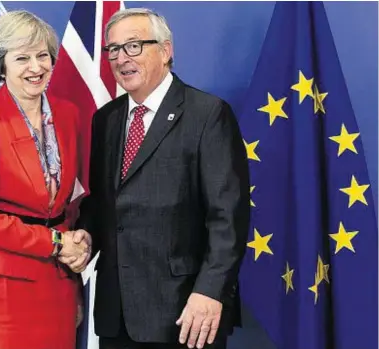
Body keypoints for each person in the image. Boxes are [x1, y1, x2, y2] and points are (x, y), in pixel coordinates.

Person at [75, 7, 250, 349]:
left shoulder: (208, 114)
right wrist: (83, 236)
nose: (121, 58)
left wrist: (210, 291)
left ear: (166, 50)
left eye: (134, 46)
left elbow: (228, 216)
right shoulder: (106, 119)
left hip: (186, 313)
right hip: (117, 315)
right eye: (113, 49)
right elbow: (103, 203)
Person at [0, 10, 91, 349]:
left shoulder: (69, 113)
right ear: (1, 65)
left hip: (58, 280)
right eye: (22, 58)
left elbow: (71, 201)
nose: (36, 67)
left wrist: (80, 240)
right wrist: (57, 244)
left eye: (43, 55)